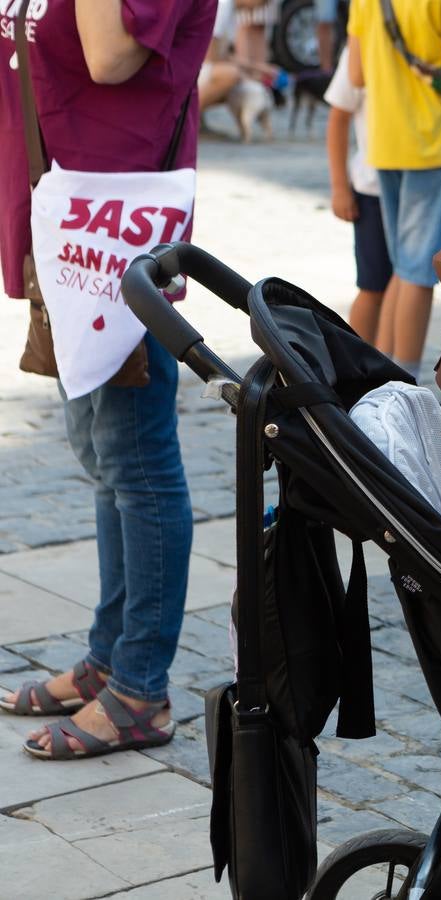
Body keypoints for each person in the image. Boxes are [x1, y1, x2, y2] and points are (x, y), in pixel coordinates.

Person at [0, 0, 213, 758]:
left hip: (117, 228)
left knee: (138, 460)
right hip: (65, 223)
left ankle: (139, 689)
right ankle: (108, 658)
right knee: (102, 458)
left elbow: (108, 57)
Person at [347, 0, 441, 381]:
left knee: (403, 267)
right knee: (418, 272)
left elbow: (356, 75)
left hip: (386, 143)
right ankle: (404, 379)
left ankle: (385, 372)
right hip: (434, 144)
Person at [325, 45, 397, 352]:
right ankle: (359, 365)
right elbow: (338, 117)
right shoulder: (362, 43)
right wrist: (340, 186)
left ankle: (389, 370)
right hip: (372, 187)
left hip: (415, 183)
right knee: (373, 286)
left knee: (405, 284)